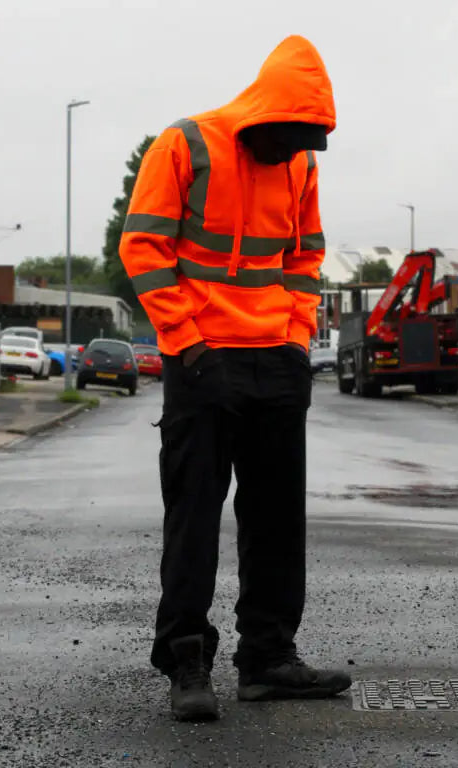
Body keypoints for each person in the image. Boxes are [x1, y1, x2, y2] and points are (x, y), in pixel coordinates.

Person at [120, 35, 351, 721]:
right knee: (193, 517)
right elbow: (143, 245)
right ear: (262, 114)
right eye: (287, 135)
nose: (295, 149)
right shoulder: (185, 145)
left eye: (307, 139)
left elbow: (305, 255)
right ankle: (187, 660)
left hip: (275, 360)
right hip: (202, 362)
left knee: (278, 519)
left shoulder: (301, 163)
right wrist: (189, 347)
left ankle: (268, 660)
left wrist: (296, 340)